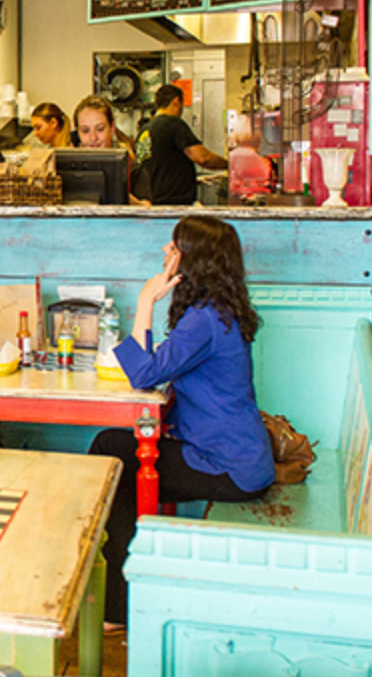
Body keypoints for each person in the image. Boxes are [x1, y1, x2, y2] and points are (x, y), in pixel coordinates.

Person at [88, 216, 275, 628]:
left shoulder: (205, 319)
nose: (164, 253)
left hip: (228, 467)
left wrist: (144, 301)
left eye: (173, 248)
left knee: (113, 454)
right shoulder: (217, 311)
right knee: (118, 453)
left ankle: (119, 601)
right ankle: (124, 590)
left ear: (195, 260)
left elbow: (144, 374)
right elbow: (157, 366)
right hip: (238, 457)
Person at [135, 84, 228, 205]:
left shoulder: (145, 131)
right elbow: (203, 158)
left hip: (153, 203)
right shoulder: (172, 124)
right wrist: (230, 165)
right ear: (176, 102)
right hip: (174, 204)